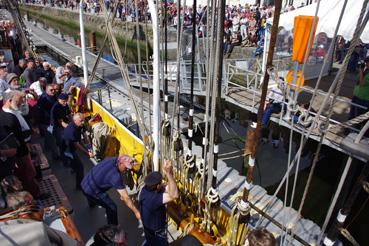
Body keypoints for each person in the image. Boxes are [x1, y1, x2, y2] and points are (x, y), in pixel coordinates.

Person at [0, 91, 43, 198]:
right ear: (9, 101)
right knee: (28, 173)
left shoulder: (12, 111)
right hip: (20, 152)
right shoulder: (7, 118)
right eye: (19, 102)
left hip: (24, 146)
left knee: (30, 172)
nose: (22, 103)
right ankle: (35, 194)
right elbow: (15, 137)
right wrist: (28, 133)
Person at [81, 155, 141, 225]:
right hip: (92, 191)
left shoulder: (112, 159)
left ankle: (92, 203)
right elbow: (126, 198)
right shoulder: (115, 177)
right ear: (120, 163)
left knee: (92, 192)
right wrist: (136, 212)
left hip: (85, 182)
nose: (127, 170)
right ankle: (113, 227)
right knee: (112, 207)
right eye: (126, 168)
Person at [139, 159, 179, 246]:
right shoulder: (153, 199)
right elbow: (175, 195)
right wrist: (168, 173)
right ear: (157, 186)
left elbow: (165, 187)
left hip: (148, 229)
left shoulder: (145, 190)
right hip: (157, 233)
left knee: (150, 242)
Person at [62, 113, 93, 189]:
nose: (83, 122)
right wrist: (87, 153)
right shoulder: (71, 130)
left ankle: (73, 167)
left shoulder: (80, 125)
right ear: (75, 120)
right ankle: (79, 186)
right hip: (68, 150)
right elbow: (77, 145)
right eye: (81, 121)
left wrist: (89, 146)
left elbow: (84, 134)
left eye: (83, 120)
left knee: (74, 163)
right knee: (80, 167)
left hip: (73, 146)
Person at [349, 56, 369, 120]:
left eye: (367, 62)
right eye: (366, 62)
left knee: (359, 116)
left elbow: (361, 83)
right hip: (357, 96)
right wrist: (361, 71)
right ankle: (348, 128)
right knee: (352, 113)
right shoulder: (366, 71)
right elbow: (358, 79)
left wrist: (361, 71)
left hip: (363, 99)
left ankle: (356, 129)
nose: (366, 64)